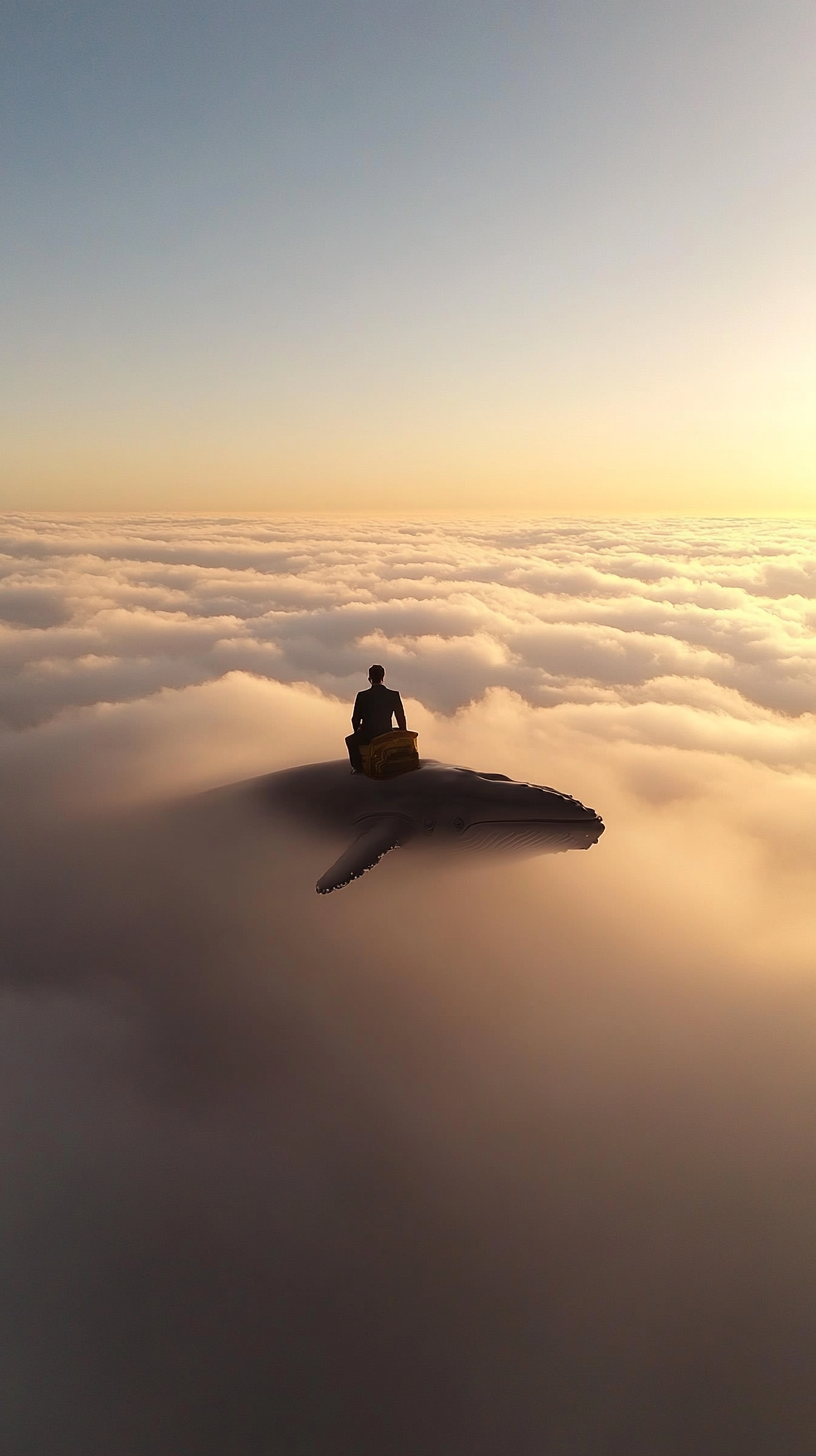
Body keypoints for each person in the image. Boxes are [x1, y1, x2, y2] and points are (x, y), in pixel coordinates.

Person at [346, 665, 406, 773]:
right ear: (383, 677)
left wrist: (358, 731)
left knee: (350, 740)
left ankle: (358, 768)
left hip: (369, 734)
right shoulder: (394, 695)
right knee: (396, 729)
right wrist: (403, 732)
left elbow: (355, 719)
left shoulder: (362, 696)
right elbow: (400, 717)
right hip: (386, 732)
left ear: (369, 679)